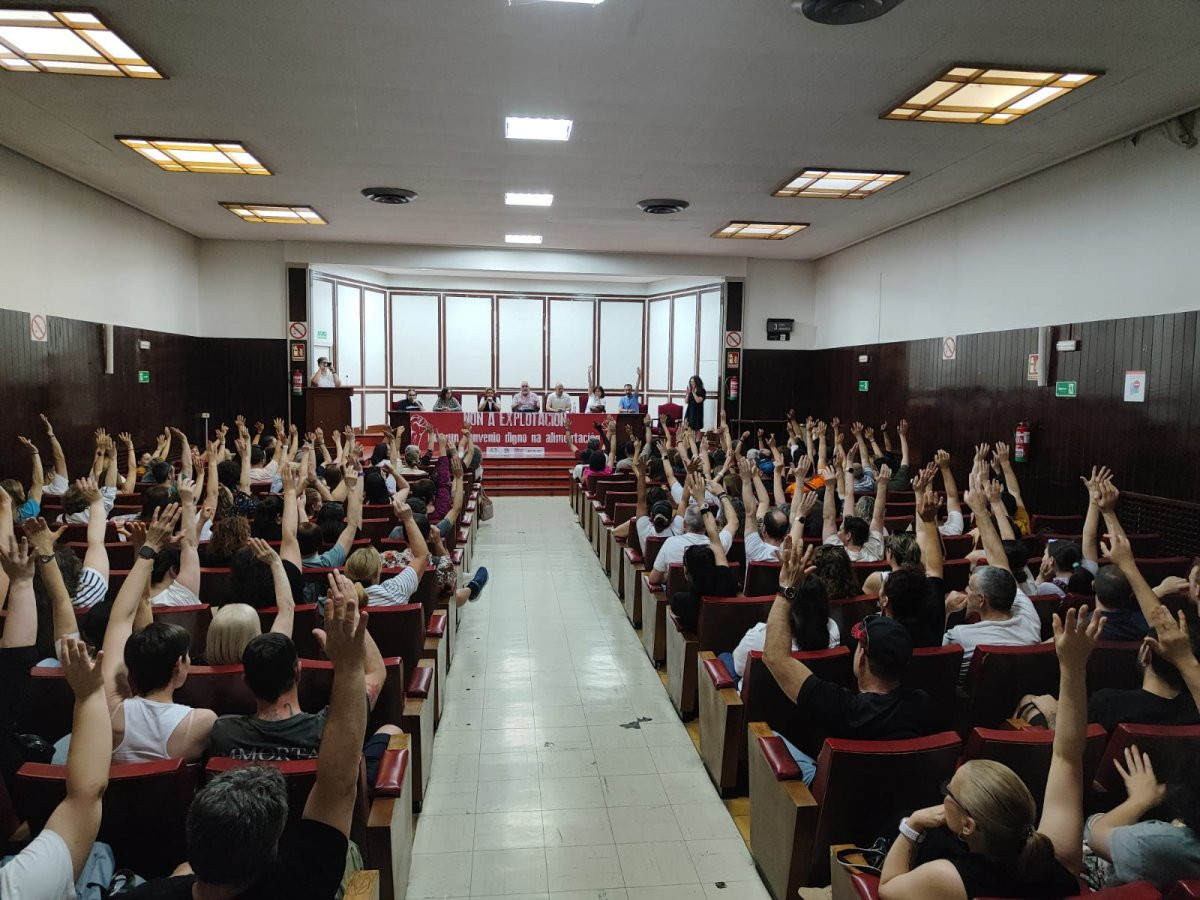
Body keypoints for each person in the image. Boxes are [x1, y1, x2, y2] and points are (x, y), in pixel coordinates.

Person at [122, 572, 370, 899]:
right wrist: (350, 664)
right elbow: (339, 783)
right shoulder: (298, 885)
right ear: (273, 848)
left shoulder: (221, 731)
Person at [877, 606, 1099, 899]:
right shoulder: (1060, 861)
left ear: (968, 825)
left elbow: (886, 888)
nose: (944, 797)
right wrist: (1073, 667)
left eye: (949, 791)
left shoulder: (947, 878)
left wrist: (914, 823)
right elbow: (1067, 756)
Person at [763, 540, 936, 784]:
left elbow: (775, 658)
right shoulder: (922, 703)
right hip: (895, 794)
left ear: (862, 657)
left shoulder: (842, 708)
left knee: (768, 735)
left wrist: (786, 591)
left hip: (834, 794)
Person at [207, 621, 399, 784]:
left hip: (254, 816)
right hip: (322, 815)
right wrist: (353, 618)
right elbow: (376, 672)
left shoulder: (223, 732)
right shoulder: (332, 729)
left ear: (246, 682)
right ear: (298, 672)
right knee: (392, 731)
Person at [100, 504, 217, 763]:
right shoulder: (202, 722)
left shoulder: (110, 712)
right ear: (179, 665)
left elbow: (121, 618)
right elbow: (129, 614)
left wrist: (147, 550)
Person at [0, 637, 111, 900]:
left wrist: (89, 695)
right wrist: (90, 694)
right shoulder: (19, 886)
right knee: (99, 852)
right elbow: (85, 796)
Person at [943, 473, 1041, 680]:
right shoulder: (1029, 618)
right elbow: (1001, 565)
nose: (966, 591)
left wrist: (946, 611)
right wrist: (982, 510)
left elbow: (940, 666)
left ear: (981, 600)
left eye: (970, 588)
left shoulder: (960, 635)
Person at [725, 564, 838, 689]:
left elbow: (738, 668)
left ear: (788, 606)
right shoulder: (833, 630)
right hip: (806, 698)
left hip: (761, 699)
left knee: (725, 658)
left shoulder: (760, 635)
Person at [647, 475, 738, 587]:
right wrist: (722, 494)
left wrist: (667, 577)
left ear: (684, 524)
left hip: (675, 596)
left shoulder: (670, 543)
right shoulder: (717, 545)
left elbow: (654, 579)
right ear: (706, 525)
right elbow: (733, 522)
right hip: (707, 594)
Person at [669, 506, 740, 633]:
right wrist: (704, 505)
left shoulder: (680, 600)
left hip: (700, 644)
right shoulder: (728, 582)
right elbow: (716, 541)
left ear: (688, 574)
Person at [739, 456, 787, 562]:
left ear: (764, 530)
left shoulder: (754, 549)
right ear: (785, 534)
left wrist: (749, 479)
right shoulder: (789, 553)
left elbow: (751, 512)